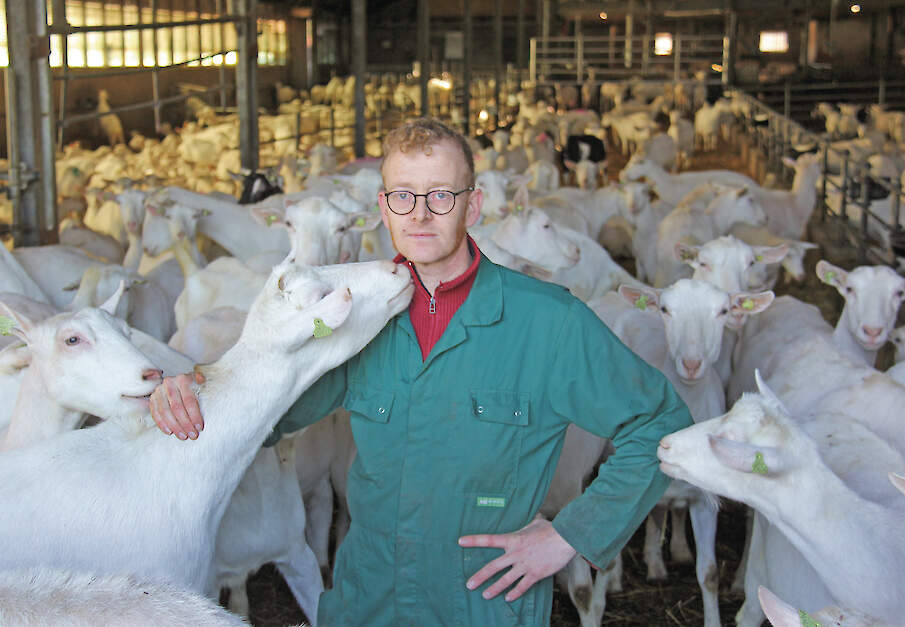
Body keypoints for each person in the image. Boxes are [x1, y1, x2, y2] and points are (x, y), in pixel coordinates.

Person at [150, 117, 693, 626]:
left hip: (486, 606)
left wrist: (569, 535)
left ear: (473, 205)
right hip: (368, 601)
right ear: (384, 207)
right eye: (404, 196)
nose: (421, 214)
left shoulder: (549, 321)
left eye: (441, 195)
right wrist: (194, 389)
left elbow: (661, 424)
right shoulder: (353, 316)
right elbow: (267, 412)